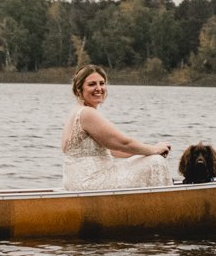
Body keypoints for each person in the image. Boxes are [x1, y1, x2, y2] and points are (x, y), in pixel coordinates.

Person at [58, 63, 175, 191]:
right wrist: (155, 149)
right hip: (91, 182)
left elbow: (116, 150)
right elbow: (123, 143)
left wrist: (146, 153)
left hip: (76, 181)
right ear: (78, 90)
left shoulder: (76, 111)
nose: (99, 88)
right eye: (92, 84)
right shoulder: (87, 113)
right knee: (156, 161)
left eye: (102, 83)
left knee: (146, 158)